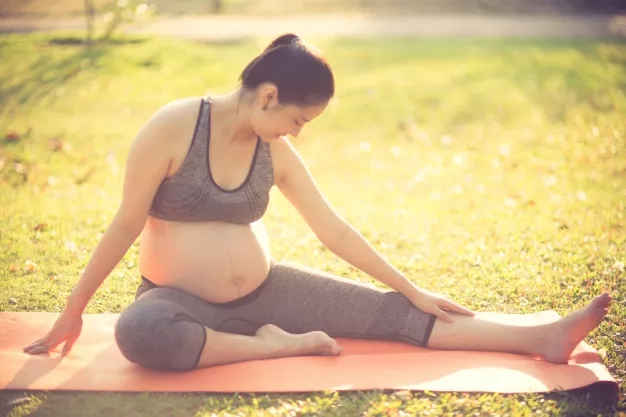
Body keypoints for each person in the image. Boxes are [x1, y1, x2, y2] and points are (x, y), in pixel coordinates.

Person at [24, 34, 611, 371]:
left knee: (394, 316)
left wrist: (411, 290)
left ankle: (540, 339)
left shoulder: (271, 149)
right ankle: (268, 346)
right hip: (180, 303)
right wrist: (74, 310)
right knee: (139, 333)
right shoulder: (172, 129)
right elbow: (126, 224)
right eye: (298, 120)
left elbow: (335, 230)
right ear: (270, 95)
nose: (298, 133)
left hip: (268, 289)